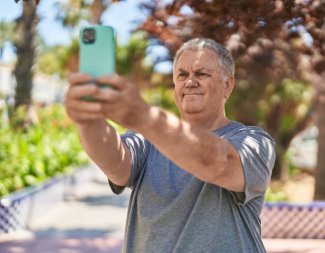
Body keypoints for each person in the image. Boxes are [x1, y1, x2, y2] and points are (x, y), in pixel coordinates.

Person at [65, 38, 276, 253]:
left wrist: (144, 117)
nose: (190, 82)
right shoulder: (147, 139)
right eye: (182, 75)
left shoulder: (254, 141)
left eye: (201, 74)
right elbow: (114, 161)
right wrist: (88, 119)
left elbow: (220, 164)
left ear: (227, 85)